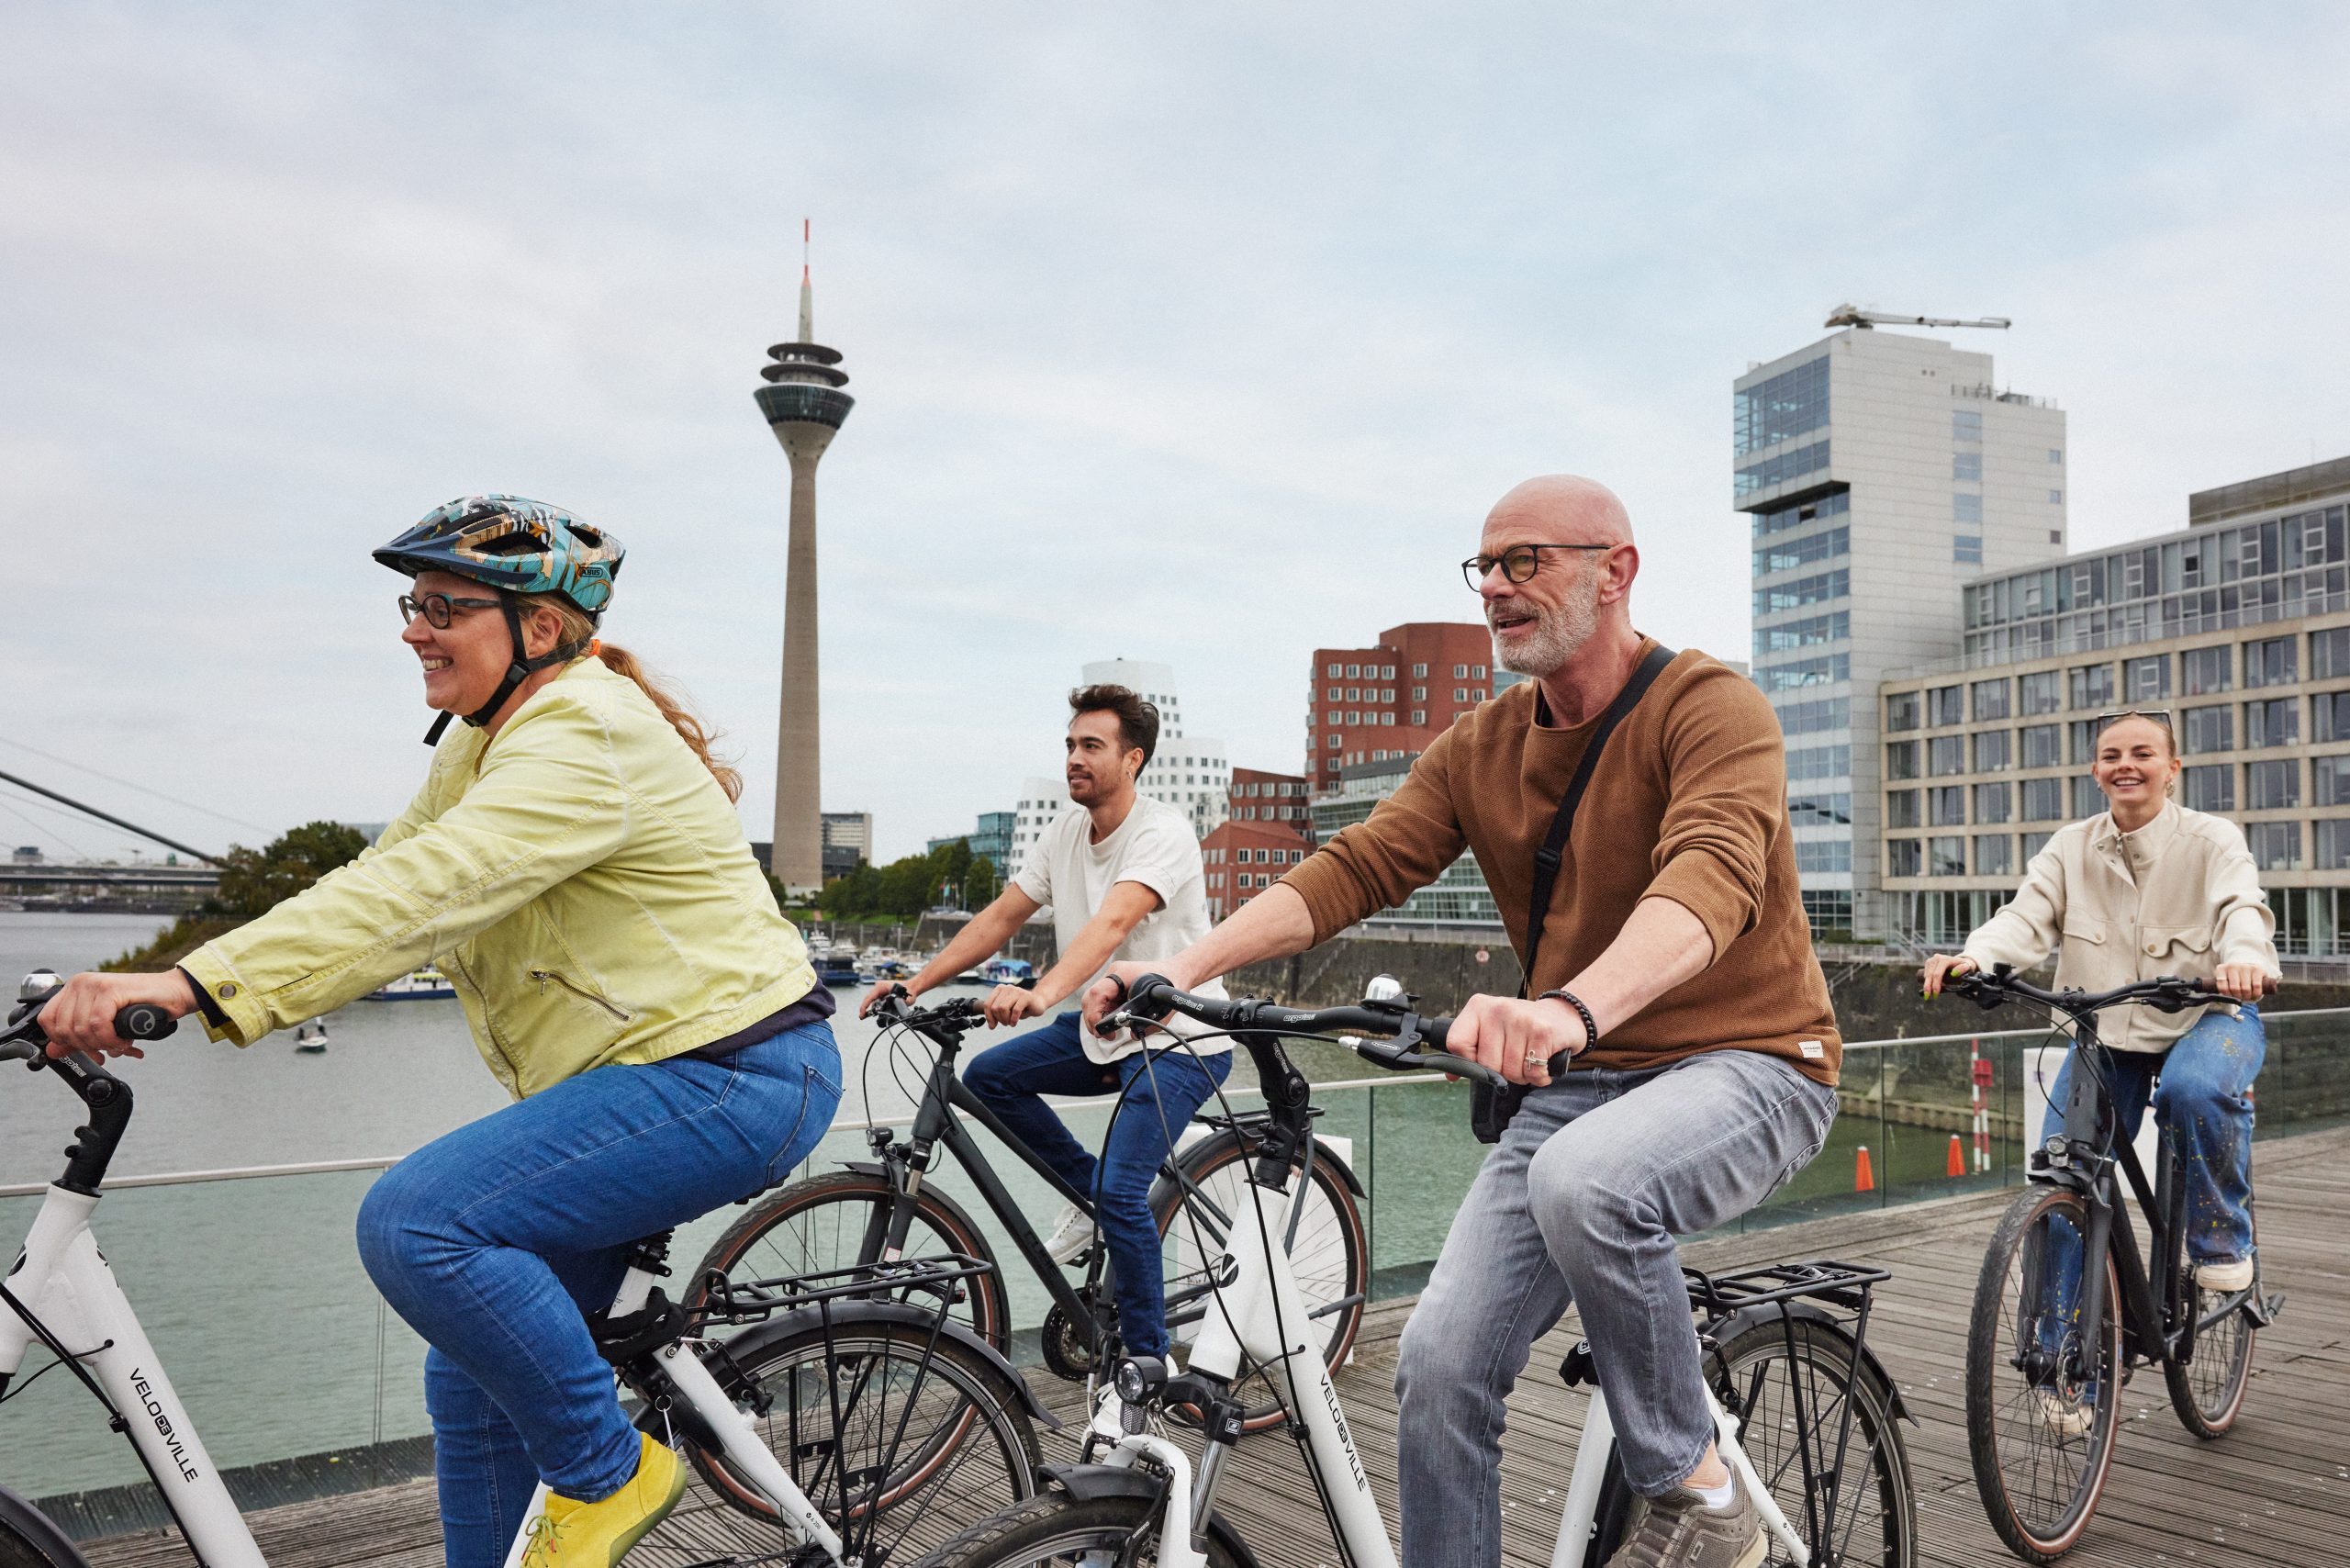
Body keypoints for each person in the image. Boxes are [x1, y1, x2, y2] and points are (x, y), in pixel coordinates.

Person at [37, 496, 843, 1568]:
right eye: (411, 605)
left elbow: (424, 894)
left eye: (444, 607)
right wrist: (193, 977)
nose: (415, 628)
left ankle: (611, 1471)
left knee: (418, 1222)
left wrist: (192, 983)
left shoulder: (580, 731)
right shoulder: (480, 745)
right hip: (662, 1073)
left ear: (537, 628)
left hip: (732, 1070)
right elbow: (373, 881)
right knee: (471, 1372)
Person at [1088, 475, 1841, 1568]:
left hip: (1753, 1063)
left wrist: (1566, 1007)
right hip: (1576, 1082)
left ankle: (1696, 1489)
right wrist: (1180, 965)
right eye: (1483, 568)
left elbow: (1711, 880)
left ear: (1614, 570)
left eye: (1523, 561)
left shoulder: (1709, 708)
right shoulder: (1482, 744)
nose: (1494, 587)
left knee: (1591, 1182)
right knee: (1437, 1369)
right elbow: (1356, 864)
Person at [865, 684, 1229, 1374]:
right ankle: (1093, 1197)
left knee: (1127, 1193)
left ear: (1133, 760)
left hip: (1182, 1037)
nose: (1074, 758)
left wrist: (1041, 993)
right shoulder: (1063, 832)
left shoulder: (1163, 832)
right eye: (1069, 745)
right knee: (992, 1078)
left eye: (1092, 746)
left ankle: (1147, 1369)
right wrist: (915, 984)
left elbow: (1114, 923)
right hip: (1104, 1026)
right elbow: (1001, 917)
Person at [1922, 709, 2276, 1418]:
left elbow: (2243, 907)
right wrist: (1977, 958)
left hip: (2207, 1018)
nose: (2126, 765)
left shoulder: (2212, 841)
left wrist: (2241, 960)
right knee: (2063, 1173)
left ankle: (2219, 1241)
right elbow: (2025, 917)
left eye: (2143, 753)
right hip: (2105, 1033)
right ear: (2095, 769)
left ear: (2172, 767)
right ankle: (2062, 1368)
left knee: (2194, 1091)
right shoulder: (2069, 846)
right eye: (2111, 754)